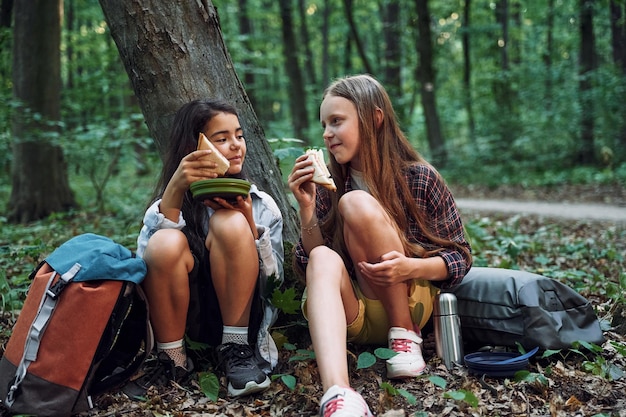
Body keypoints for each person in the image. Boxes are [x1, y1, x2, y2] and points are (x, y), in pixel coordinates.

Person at [287, 74, 472, 416]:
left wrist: (410, 267)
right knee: (324, 256)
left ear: (374, 118)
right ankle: (339, 394)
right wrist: (307, 208)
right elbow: (310, 262)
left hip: (410, 299)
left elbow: (460, 256)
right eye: (324, 124)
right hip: (355, 312)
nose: (326, 134)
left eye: (337, 121)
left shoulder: (419, 178)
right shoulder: (328, 185)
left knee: (355, 203)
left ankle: (404, 334)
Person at [124, 99, 284, 399]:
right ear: (195, 148)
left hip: (243, 325)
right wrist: (175, 190)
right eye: (222, 139)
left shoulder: (262, 206)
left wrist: (249, 223)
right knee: (164, 241)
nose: (236, 145)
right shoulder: (167, 204)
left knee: (230, 223)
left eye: (239, 135)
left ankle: (235, 349)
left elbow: (274, 286)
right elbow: (146, 268)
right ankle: (173, 362)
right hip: (186, 322)